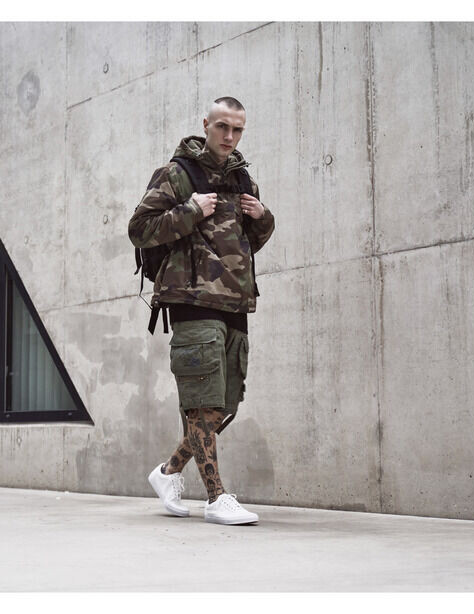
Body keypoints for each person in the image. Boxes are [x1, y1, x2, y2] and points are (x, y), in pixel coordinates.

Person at [128, 96, 275, 525]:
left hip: (235, 300)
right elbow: (139, 230)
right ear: (206, 124)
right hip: (191, 298)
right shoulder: (177, 174)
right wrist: (190, 211)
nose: (229, 136)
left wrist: (263, 217)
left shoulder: (243, 179)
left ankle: (167, 472)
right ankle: (216, 498)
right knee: (200, 403)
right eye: (222, 127)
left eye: (237, 129)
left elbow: (246, 242)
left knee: (222, 406)